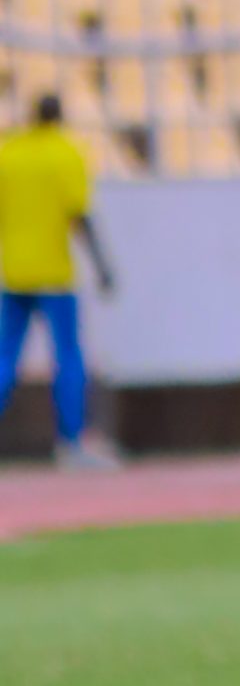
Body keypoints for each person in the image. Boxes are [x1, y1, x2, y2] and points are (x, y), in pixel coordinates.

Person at [0, 92, 118, 467]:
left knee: (4, 358)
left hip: (14, 272)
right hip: (54, 274)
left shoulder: (9, 153)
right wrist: (102, 266)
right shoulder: (66, 153)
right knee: (68, 355)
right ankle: (72, 442)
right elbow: (79, 213)